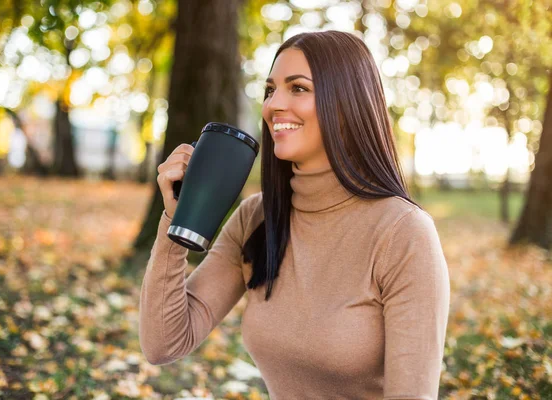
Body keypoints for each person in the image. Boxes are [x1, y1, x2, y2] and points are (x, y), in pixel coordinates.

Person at [139, 30, 450, 399]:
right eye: (270, 90)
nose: (273, 105)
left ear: (346, 102)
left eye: (298, 88)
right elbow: (164, 343)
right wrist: (176, 224)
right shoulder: (256, 217)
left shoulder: (404, 233)